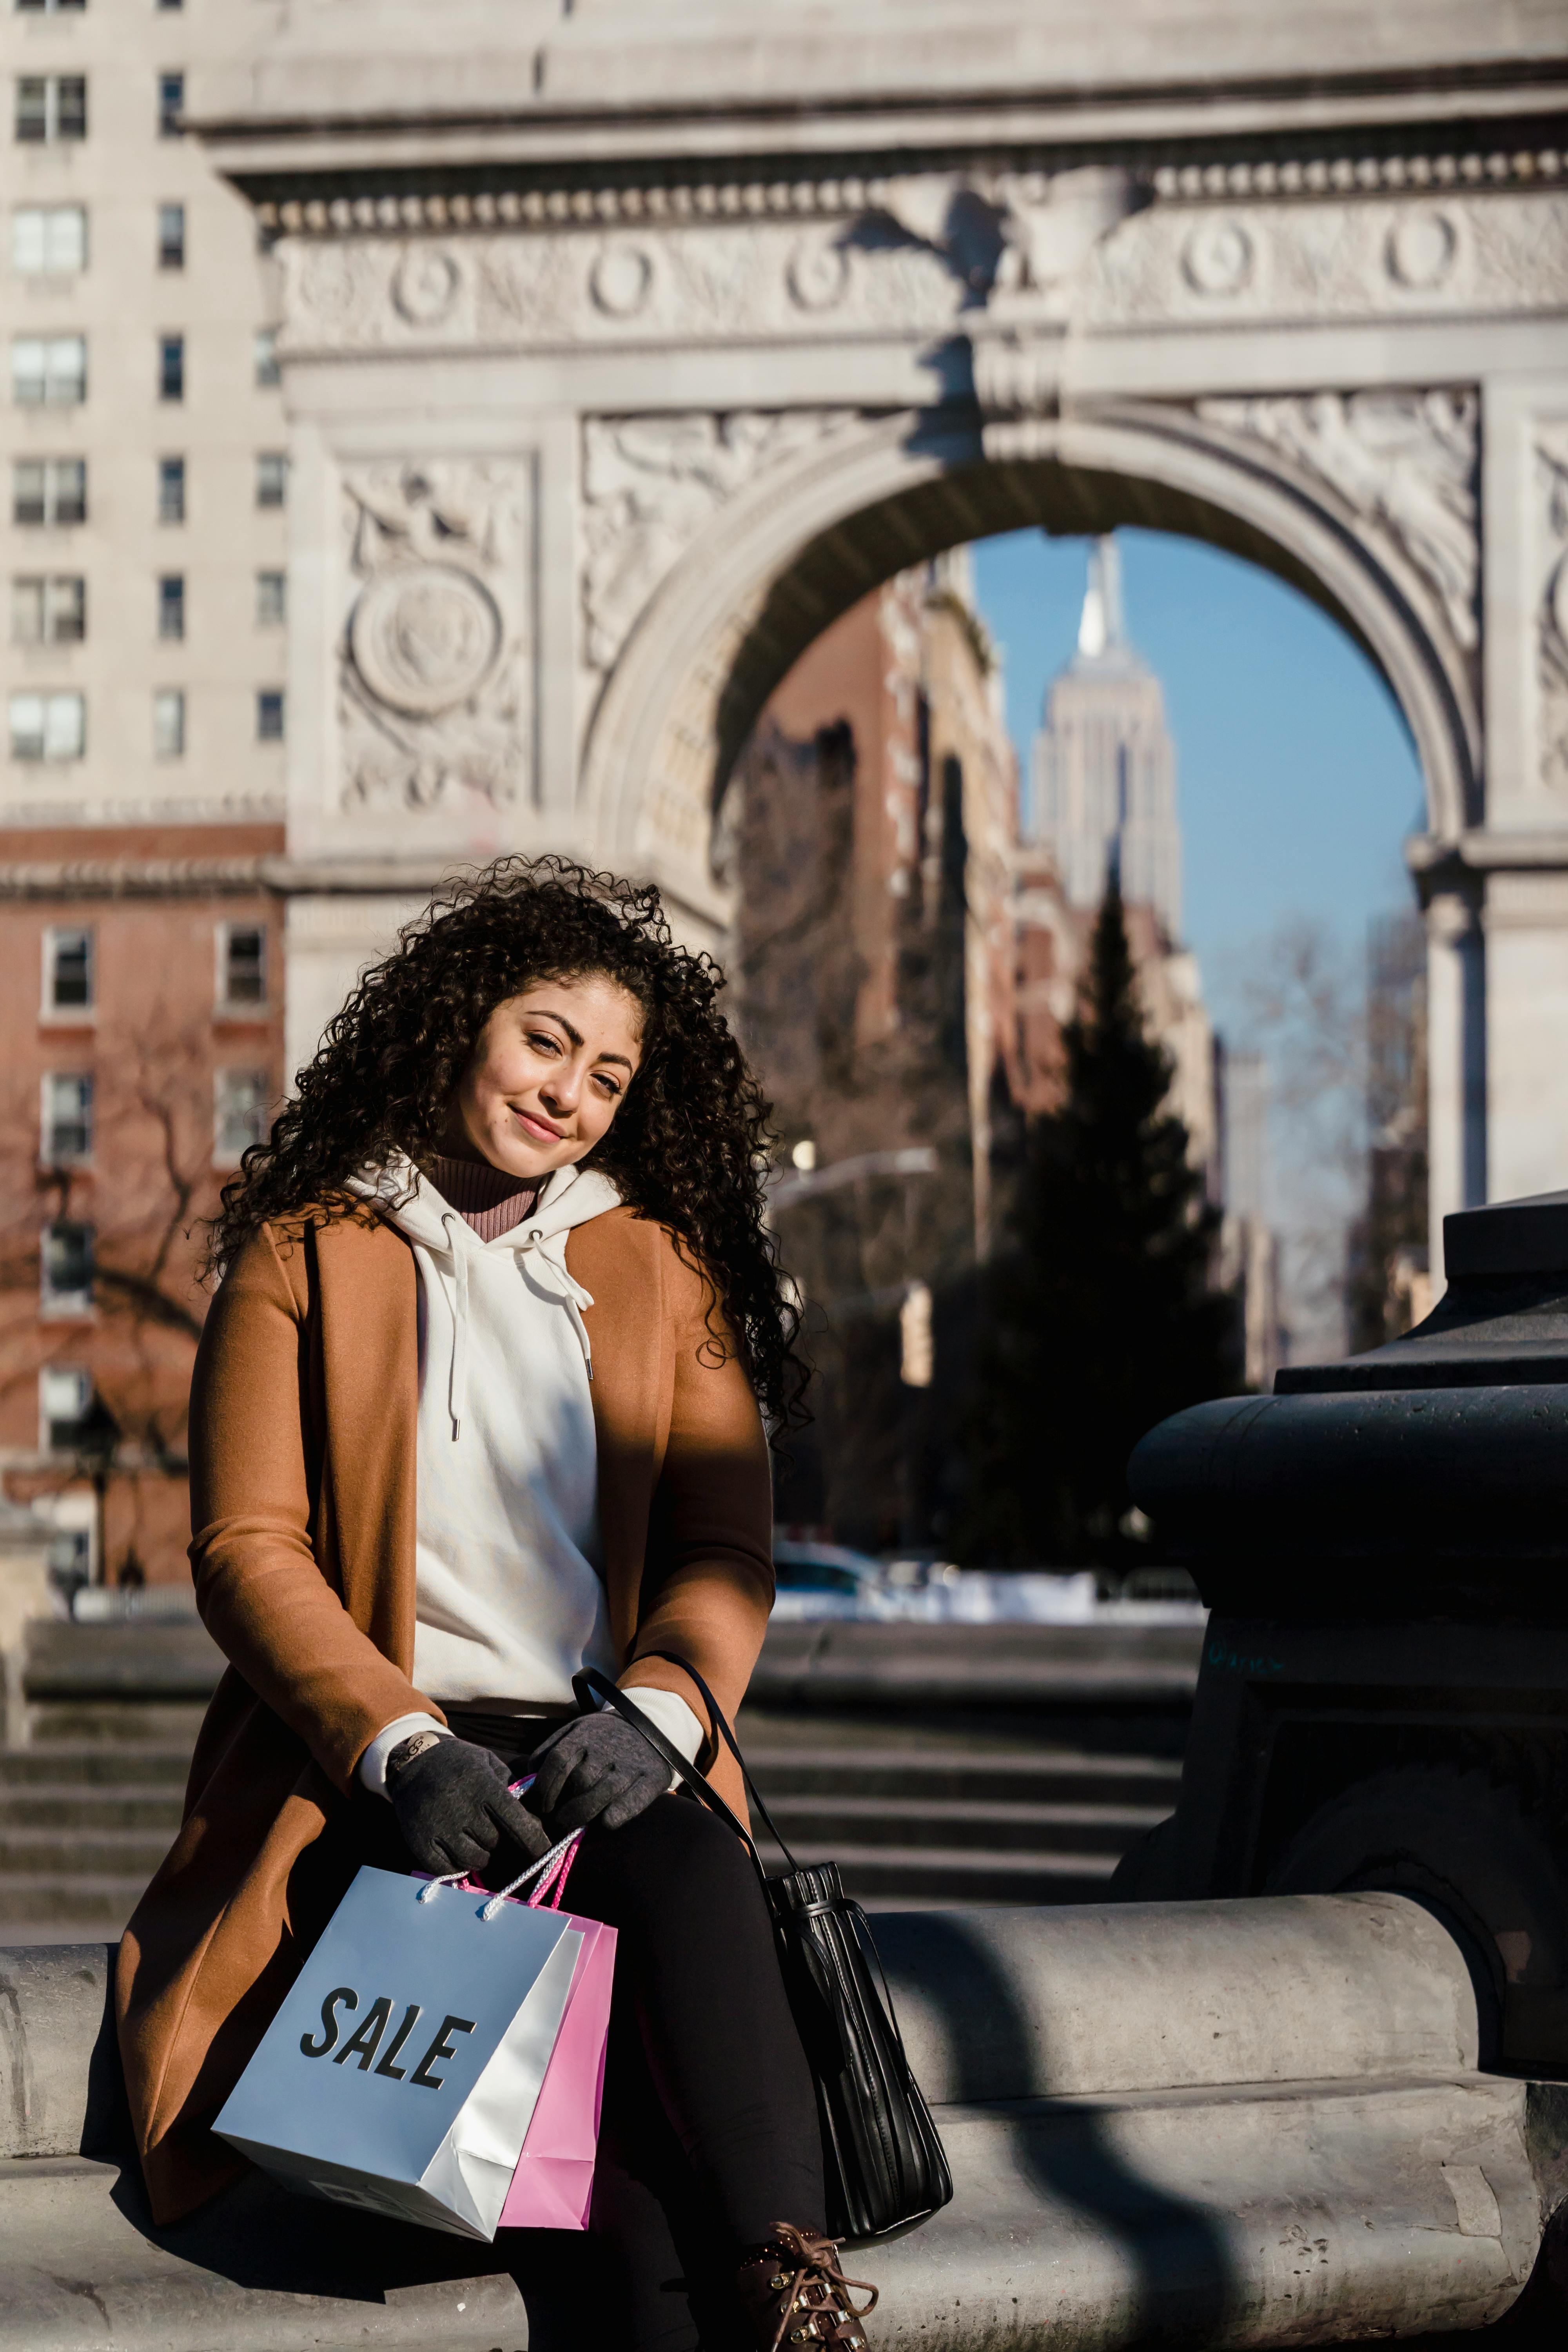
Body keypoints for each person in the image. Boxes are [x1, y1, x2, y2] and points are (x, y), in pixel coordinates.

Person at [116, 858, 879, 2352]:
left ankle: (795, 2282)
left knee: (680, 1887)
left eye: (609, 1074)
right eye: (546, 1042)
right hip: (373, 1776)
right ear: (459, 1022)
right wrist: (402, 1747)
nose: (571, 1095)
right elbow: (246, 1547)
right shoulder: (305, 1248)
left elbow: (727, 1555)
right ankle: (785, 2286)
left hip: (603, 1743)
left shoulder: (665, 1265)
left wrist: (663, 1714)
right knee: (609, 2180)